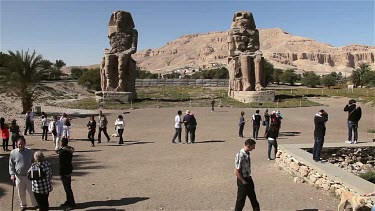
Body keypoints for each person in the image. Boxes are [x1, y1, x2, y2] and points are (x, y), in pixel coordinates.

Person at [9, 136, 38, 210]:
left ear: (25, 144)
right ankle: (23, 205)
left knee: (32, 192)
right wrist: (12, 174)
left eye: (22, 144)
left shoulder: (30, 152)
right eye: (19, 144)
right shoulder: (13, 152)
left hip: (29, 176)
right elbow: (11, 164)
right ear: (16, 144)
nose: (20, 145)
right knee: (21, 192)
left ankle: (35, 204)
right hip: (18, 176)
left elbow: (34, 162)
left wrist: (34, 171)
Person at [234, 138, 260, 211]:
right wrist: (243, 181)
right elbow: (236, 171)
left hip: (248, 178)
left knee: (254, 199)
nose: (254, 148)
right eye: (253, 146)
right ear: (248, 146)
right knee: (240, 201)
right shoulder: (240, 155)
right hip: (243, 181)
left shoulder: (247, 153)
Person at [58, 138, 76, 210]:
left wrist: (60, 173)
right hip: (68, 170)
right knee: (67, 187)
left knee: (67, 188)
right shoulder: (69, 151)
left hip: (64, 172)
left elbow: (62, 164)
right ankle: (69, 201)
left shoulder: (63, 152)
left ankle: (71, 203)